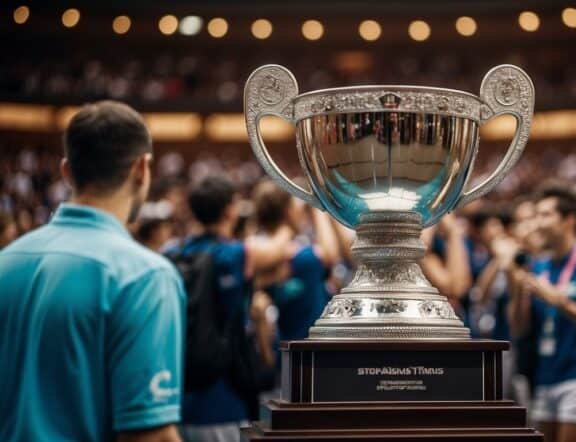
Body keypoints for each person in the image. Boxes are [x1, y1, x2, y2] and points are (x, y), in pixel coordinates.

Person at [0, 101, 186, 441]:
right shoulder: (145, 277)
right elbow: (151, 436)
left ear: (66, 172)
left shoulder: (6, 262)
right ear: (142, 169)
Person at [174, 175, 294, 441]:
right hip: (225, 400)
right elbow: (277, 250)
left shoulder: (175, 251)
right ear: (230, 209)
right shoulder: (233, 254)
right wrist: (287, 219)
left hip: (181, 401)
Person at [508, 184, 576, 442]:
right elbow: (519, 327)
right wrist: (515, 282)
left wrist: (561, 302)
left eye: (545, 215)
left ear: (570, 220)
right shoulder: (539, 266)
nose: (537, 223)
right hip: (546, 376)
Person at [252, 180, 340, 342]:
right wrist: (318, 209)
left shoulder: (256, 253)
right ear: (288, 211)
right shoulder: (304, 258)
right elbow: (331, 254)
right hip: (313, 349)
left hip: (282, 351)